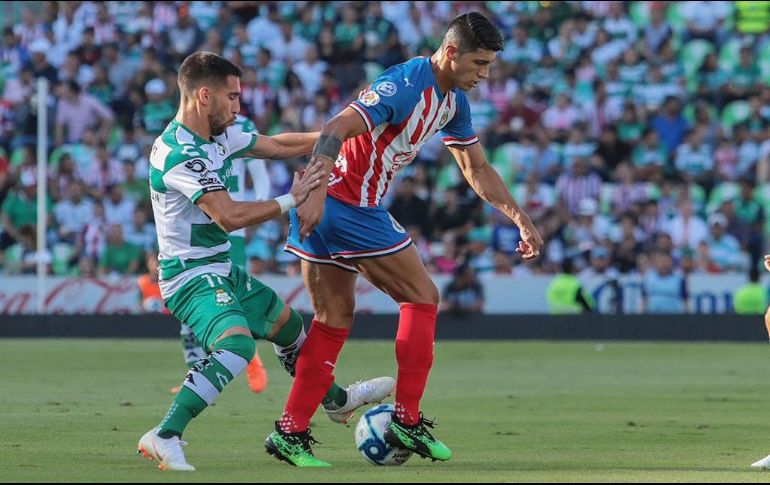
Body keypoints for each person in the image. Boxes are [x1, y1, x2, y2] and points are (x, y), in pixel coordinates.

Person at [265, 12, 543, 467]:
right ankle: (406, 419)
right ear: (450, 52)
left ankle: (290, 433)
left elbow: (477, 169)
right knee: (423, 297)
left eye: (490, 65)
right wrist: (315, 193)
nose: (485, 74)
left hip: (327, 207)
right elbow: (336, 127)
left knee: (333, 319)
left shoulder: (453, 101)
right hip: (346, 203)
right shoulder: (408, 82)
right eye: (478, 63)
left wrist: (518, 216)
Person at [136, 52, 394, 472]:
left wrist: (345, 132)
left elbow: (278, 145)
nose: (239, 107)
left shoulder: (220, 135)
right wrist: (295, 198)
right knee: (236, 346)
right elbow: (229, 216)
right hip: (190, 277)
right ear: (205, 96)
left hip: (220, 270)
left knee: (292, 330)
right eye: (232, 97)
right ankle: (164, 435)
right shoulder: (178, 153)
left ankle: (337, 401)